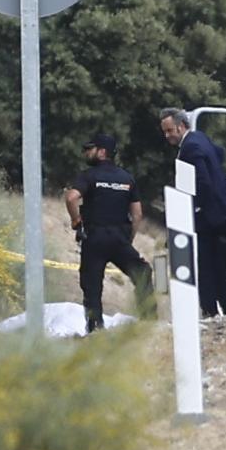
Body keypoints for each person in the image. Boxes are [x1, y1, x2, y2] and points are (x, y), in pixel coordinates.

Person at [65, 133, 155, 334]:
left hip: (94, 239)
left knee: (92, 286)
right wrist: (128, 238)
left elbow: (71, 198)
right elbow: (138, 214)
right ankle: (150, 321)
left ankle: (95, 330)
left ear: (102, 152)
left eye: (90, 149)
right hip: (119, 239)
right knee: (142, 273)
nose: (87, 153)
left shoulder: (89, 175)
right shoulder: (127, 178)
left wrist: (75, 220)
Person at [159, 108, 226, 318]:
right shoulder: (200, 138)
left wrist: (194, 207)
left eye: (169, 131)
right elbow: (219, 154)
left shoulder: (190, 148)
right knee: (217, 263)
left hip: (204, 216)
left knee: (203, 265)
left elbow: (201, 181)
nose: (167, 136)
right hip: (218, 212)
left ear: (181, 126)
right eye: (165, 132)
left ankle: (209, 310)